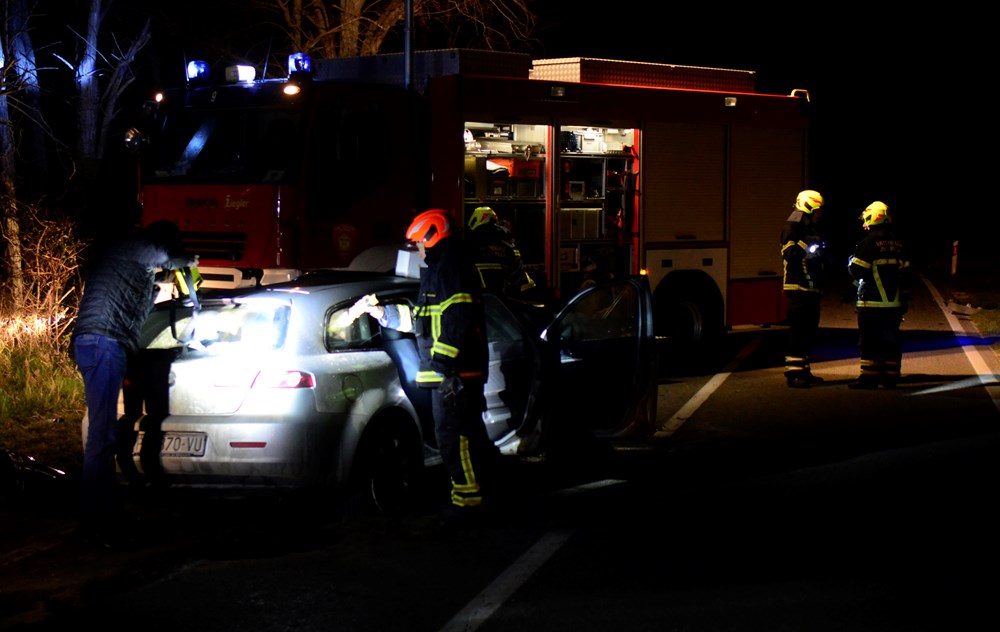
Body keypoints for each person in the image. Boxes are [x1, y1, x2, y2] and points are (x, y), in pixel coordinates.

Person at [351, 209, 499, 525]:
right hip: (453, 373)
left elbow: (458, 319)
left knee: (455, 440)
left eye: (418, 243)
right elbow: (422, 321)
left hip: (455, 374)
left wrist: (444, 363)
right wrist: (382, 314)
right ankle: (473, 500)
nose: (417, 250)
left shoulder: (451, 269)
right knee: (460, 438)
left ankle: (468, 506)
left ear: (432, 238)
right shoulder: (441, 270)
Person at [72, 219, 197, 546]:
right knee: (102, 437)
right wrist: (190, 259)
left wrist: (157, 290)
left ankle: (103, 514)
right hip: (104, 342)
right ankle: (96, 519)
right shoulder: (137, 248)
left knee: (103, 435)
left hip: (96, 342)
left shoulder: (126, 260)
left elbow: (135, 297)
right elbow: (162, 257)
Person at [847, 201, 911, 389]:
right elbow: (907, 274)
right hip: (893, 305)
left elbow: (858, 270)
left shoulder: (868, 243)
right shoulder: (899, 243)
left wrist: (850, 265)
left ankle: (869, 377)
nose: (864, 223)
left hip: (871, 303)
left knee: (869, 341)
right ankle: (891, 376)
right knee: (891, 340)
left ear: (873, 217)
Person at [780, 189, 827, 388]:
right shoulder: (793, 227)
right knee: (798, 333)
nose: (820, 214)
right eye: (818, 210)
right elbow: (789, 253)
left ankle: (804, 371)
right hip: (797, 287)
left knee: (808, 333)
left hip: (810, 288)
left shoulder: (808, 227)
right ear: (809, 208)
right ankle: (794, 374)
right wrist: (806, 243)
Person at [466, 205, 536, 298]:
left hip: (475, 301)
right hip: (502, 303)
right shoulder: (508, 248)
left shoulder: (466, 247)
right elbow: (521, 282)